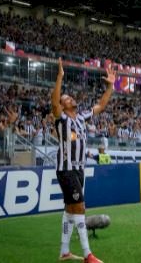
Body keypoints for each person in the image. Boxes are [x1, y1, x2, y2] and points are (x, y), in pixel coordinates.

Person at [52, 58, 115, 263]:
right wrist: (60, 78)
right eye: (67, 98)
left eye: (69, 97)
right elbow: (54, 103)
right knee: (80, 208)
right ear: (63, 105)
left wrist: (111, 86)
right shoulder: (62, 119)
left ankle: (64, 251)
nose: (70, 99)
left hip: (79, 169)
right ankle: (88, 254)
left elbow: (101, 105)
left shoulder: (81, 117)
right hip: (67, 169)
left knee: (71, 209)